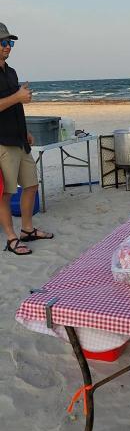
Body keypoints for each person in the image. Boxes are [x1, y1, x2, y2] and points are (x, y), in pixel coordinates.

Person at [0, 22, 53, 256]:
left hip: (20, 138)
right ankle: (11, 238)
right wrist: (18, 96)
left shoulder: (10, 71)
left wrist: (26, 130)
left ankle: (27, 230)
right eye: (3, 43)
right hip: (3, 141)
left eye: (9, 43)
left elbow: (15, 104)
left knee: (31, 185)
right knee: (6, 193)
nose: (8, 47)